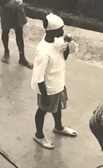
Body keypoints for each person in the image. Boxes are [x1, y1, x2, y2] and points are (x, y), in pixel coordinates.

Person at [31, 13, 78, 149]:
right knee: (42, 110)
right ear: (52, 31)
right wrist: (45, 96)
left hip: (58, 82)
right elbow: (38, 77)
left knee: (57, 107)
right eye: (60, 30)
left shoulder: (56, 41)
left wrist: (67, 45)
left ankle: (58, 127)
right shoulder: (43, 52)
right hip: (49, 88)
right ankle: (38, 135)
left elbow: (63, 57)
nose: (63, 32)